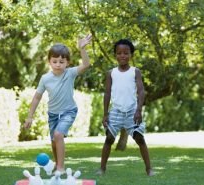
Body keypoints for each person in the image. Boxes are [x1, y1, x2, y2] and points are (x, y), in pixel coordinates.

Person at [24, 34, 92, 173]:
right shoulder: (45, 78)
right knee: (54, 141)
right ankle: (57, 165)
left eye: (62, 62)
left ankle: (61, 167)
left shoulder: (70, 73)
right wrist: (30, 116)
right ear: (49, 61)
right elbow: (37, 97)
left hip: (68, 111)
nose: (58, 64)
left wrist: (82, 49)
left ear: (67, 63)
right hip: (53, 114)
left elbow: (86, 64)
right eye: (55, 61)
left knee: (58, 135)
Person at [97, 39, 155, 176]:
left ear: (131, 55)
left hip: (132, 111)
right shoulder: (111, 73)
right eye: (119, 53)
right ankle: (102, 169)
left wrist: (138, 110)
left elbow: (141, 91)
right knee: (109, 139)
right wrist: (105, 114)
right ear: (115, 55)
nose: (122, 56)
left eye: (126, 53)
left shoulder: (136, 72)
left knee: (139, 138)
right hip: (116, 111)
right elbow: (107, 93)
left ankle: (149, 169)